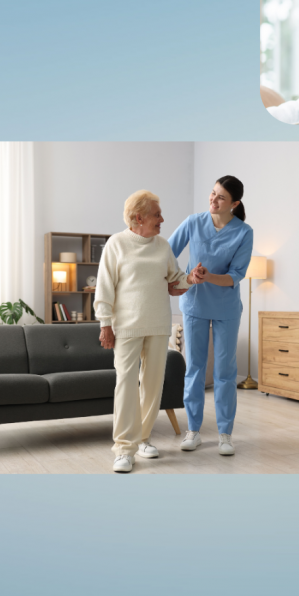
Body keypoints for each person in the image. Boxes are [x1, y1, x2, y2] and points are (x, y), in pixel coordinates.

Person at [95, 190, 204, 473]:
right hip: (126, 327)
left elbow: (175, 279)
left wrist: (192, 278)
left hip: (157, 326)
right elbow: (104, 288)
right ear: (138, 218)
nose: (162, 219)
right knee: (126, 386)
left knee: (153, 386)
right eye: (157, 214)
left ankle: (142, 439)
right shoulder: (116, 244)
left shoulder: (162, 246)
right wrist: (105, 324)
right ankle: (123, 448)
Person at [168, 176, 254, 457]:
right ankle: (193, 430)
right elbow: (167, 253)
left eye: (220, 198)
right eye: (212, 193)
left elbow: (235, 276)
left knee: (225, 372)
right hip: (194, 305)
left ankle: (225, 434)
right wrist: (186, 277)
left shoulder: (244, 232)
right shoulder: (194, 222)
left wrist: (208, 276)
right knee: (194, 368)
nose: (213, 201)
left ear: (235, 204)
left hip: (226, 309)